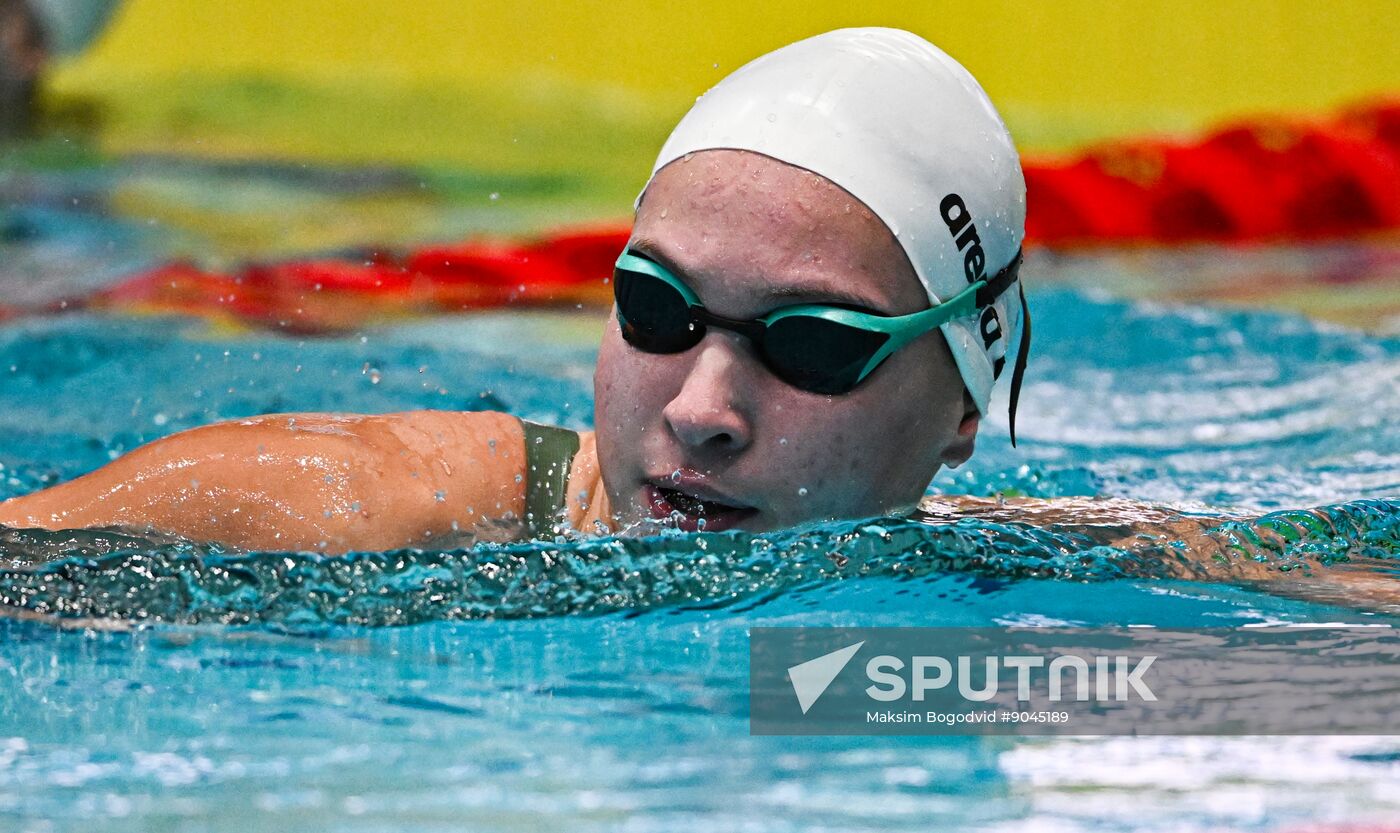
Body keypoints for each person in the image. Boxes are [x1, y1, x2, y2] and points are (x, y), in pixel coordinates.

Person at [0, 29, 1213, 559]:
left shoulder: (968, 573)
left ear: (962, 410)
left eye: (813, 344)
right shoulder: (332, 511)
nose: (701, 409)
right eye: (657, 312)